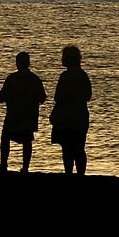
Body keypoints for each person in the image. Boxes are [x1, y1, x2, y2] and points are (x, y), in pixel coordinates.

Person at [0, 51, 47, 174]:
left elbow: (2, 97)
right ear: (28, 63)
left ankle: (3, 164)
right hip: (29, 116)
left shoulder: (12, 78)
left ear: (17, 63)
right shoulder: (34, 79)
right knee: (27, 141)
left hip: (14, 115)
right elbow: (42, 98)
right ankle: (25, 168)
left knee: (6, 137)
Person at [49, 45, 92, 175]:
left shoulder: (65, 76)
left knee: (67, 148)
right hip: (79, 115)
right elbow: (88, 95)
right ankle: (80, 174)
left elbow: (58, 97)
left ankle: (69, 173)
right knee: (79, 147)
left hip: (67, 116)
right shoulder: (82, 75)